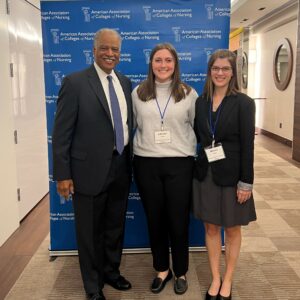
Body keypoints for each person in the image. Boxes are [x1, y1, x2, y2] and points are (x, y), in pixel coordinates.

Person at [52, 28, 133, 300]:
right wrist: (62, 174)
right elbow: (61, 134)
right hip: (87, 171)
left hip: (121, 165)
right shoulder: (74, 83)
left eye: (115, 50)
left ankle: (111, 271)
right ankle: (92, 284)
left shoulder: (124, 82)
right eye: (105, 48)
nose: (110, 54)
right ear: (94, 49)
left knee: (114, 226)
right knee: (88, 232)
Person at [132, 43, 198, 295]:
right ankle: (162, 269)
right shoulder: (138, 92)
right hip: (146, 163)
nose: (163, 65)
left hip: (180, 164)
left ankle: (180, 270)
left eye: (168, 60)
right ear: (151, 63)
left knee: (178, 221)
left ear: (175, 64)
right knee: (155, 220)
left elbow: (194, 125)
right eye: (158, 60)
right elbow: (135, 125)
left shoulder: (187, 93)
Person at [192, 49, 257, 300]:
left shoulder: (244, 103)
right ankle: (215, 278)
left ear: (233, 73)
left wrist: (246, 182)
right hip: (206, 173)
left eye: (225, 69)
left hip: (233, 177)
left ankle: (228, 278)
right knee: (210, 228)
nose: (220, 73)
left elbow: (248, 147)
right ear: (210, 71)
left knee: (231, 229)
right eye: (216, 68)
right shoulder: (201, 102)